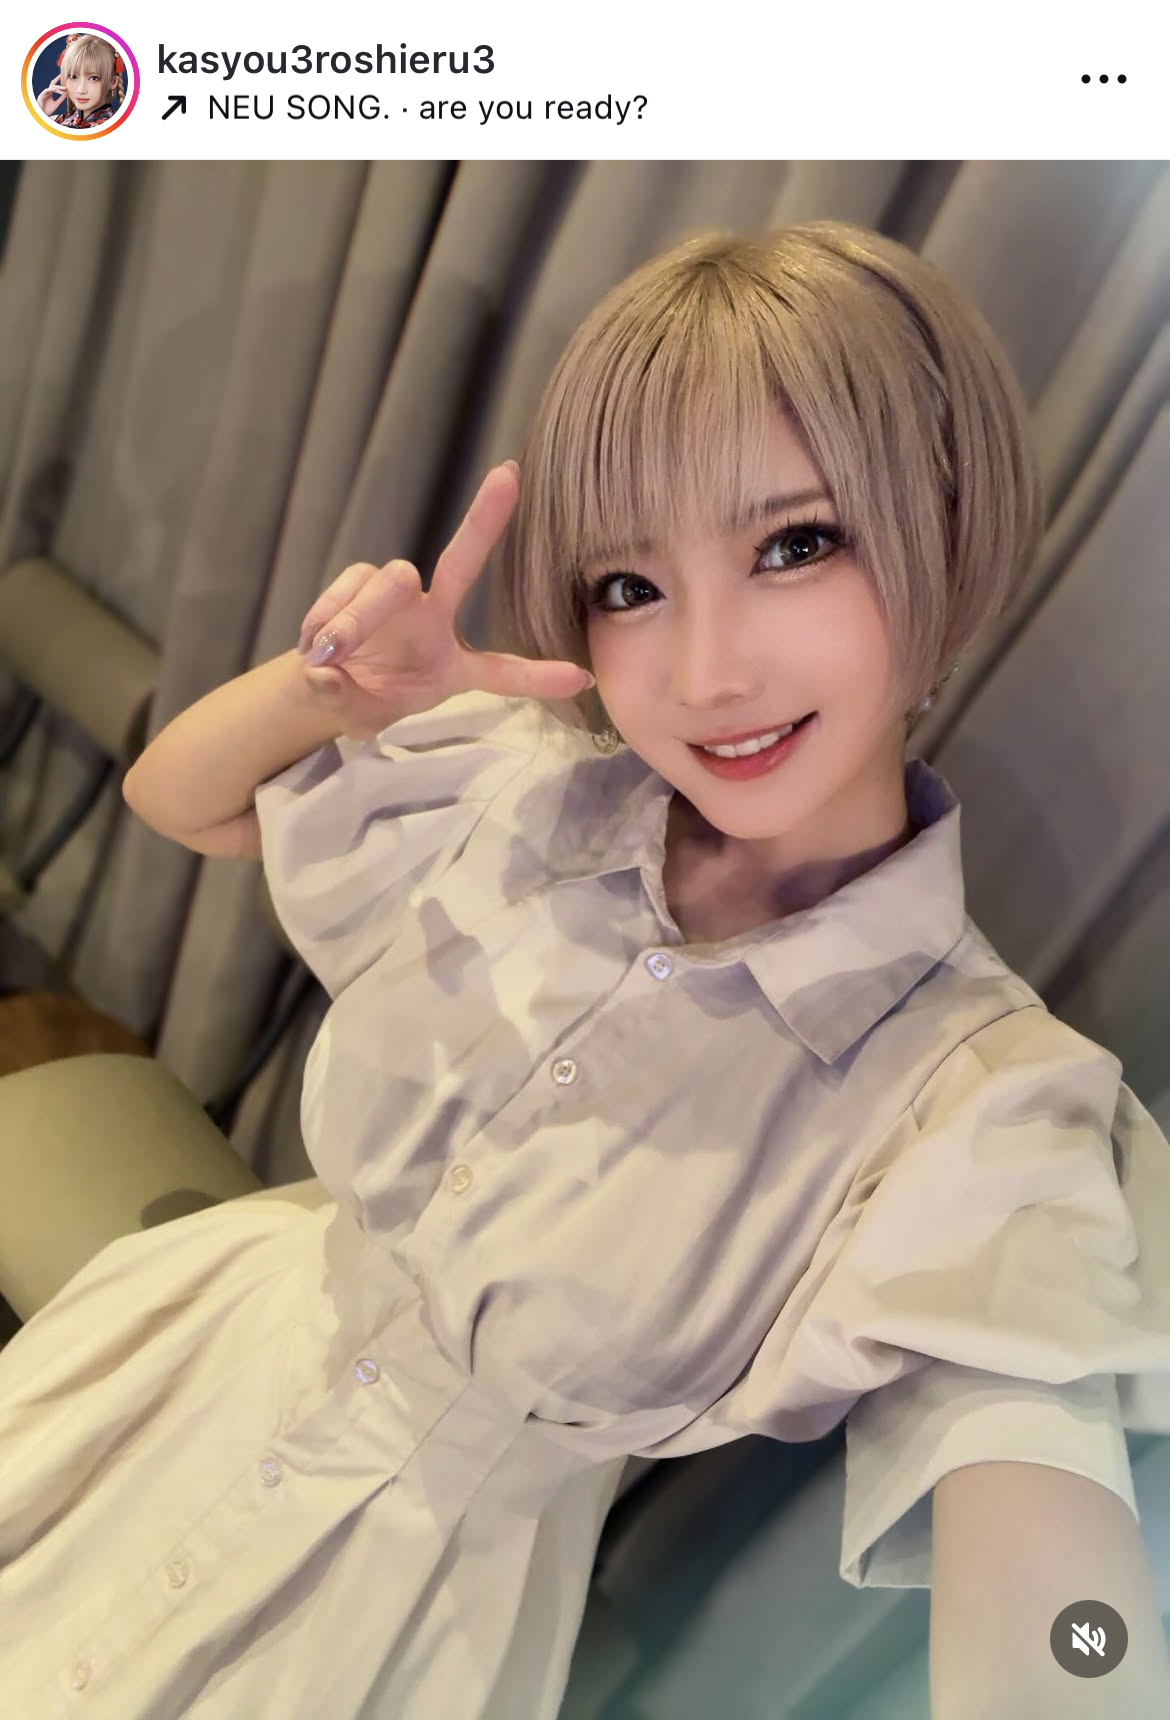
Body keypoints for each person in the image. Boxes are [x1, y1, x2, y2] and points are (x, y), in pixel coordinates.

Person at [1, 222, 1169, 1717]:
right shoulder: (523, 784)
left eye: (794, 545)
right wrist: (327, 689)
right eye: (630, 584)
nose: (704, 673)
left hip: (392, 1624)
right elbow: (179, 795)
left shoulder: (982, 1106)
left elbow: (1055, 1604)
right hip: (186, 1371)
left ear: (942, 530)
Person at [38, 33, 124, 130]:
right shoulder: (55, 121)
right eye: (73, 76)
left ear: (112, 82)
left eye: (93, 78)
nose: (81, 90)